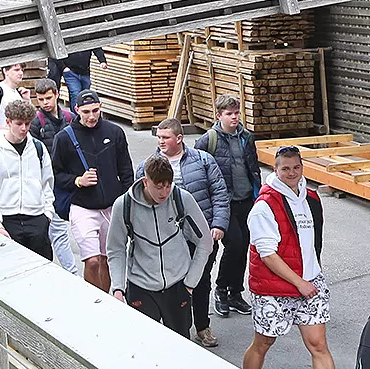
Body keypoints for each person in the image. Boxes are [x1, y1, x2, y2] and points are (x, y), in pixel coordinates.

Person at [243, 147, 354, 369]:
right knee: (263, 342)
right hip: (275, 289)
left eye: (296, 167)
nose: (291, 173)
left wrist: (310, 278)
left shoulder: (312, 199)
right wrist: (299, 283)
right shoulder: (264, 207)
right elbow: (268, 255)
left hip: (310, 285)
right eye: (285, 169)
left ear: (302, 167)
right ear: (275, 170)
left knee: (318, 344)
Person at [107, 154, 213, 335]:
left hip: (178, 285)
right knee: (145, 347)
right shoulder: (124, 205)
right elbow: (116, 249)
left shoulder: (181, 198)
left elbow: (205, 242)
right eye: (158, 187)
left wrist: (190, 283)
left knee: (181, 347)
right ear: (145, 182)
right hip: (141, 286)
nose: (164, 192)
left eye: (168, 185)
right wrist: (118, 288)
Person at [155, 118, 229, 347]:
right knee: (175, 282)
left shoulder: (203, 160)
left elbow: (219, 194)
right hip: (168, 237)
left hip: (201, 235)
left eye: (165, 138)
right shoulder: (151, 165)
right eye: (158, 138)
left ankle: (202, 327)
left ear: (179, 138)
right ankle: (180, 328)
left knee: (201, 280)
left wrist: (219, 225)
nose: (161, 142)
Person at [50, 91, 134, 292]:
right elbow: (54, 174)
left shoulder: (115, 133)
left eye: (95, 110)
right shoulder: (63, 138)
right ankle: (92, 300)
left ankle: (104, 303)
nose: (92, 116)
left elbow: (125, 169)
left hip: (111, 206)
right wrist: (78, 181)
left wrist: (126, 200)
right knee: (93, 260)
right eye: (86, 111)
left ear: (101, 107)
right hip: (82, 207)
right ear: (76, 110)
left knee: (106, 259)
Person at [195, 95, 264, 317]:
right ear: (219, 115)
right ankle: (221, 290)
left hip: (247, 199)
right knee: (234, 244)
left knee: (243, 246)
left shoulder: (247, 137)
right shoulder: (209, 140)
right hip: (224, 203)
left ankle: (235, 292)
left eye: (236, 113)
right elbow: (198, 173)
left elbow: (253, 167)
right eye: (229, 113)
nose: (234, 117)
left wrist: (258, 194)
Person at [0, 100, 56, 259]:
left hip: (36, 219)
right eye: (19, 123)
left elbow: (47, 183)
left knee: (41, 272)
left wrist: (47, 214)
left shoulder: (38, 148)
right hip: (7, 219)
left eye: (28, 124)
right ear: (8, 122)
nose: (24, 128)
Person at [29, 82, 79, 272]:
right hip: (47, 184)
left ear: (57, 94)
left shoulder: (69, 117)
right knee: (58, 229)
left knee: (57, 228)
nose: (45, 103)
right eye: (40, 99)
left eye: (48, 98)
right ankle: (71, 272)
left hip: (68, 180)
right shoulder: (36, 123)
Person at [0, 61, 30, 135]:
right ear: (5, 71)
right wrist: (8, 130)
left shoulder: (18, 93)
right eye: (16, 70)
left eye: (22, 70)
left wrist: (26, 100)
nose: (21, 73)